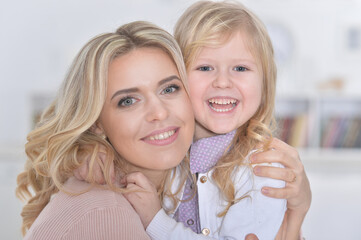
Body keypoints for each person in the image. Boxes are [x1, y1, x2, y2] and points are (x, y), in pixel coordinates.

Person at [122, 1, 311, 240]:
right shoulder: (169, 149)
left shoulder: (265, 168)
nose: (223, 81)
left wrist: (155, 220)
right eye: (205, 67)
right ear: (177, 78)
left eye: (240, 68)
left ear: (264, 83)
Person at [15, 21, 196, 240]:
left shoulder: (190, 186)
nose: (159, 112)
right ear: (95, 122)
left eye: (169, 89)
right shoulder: (107, 213)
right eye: (128, 101)